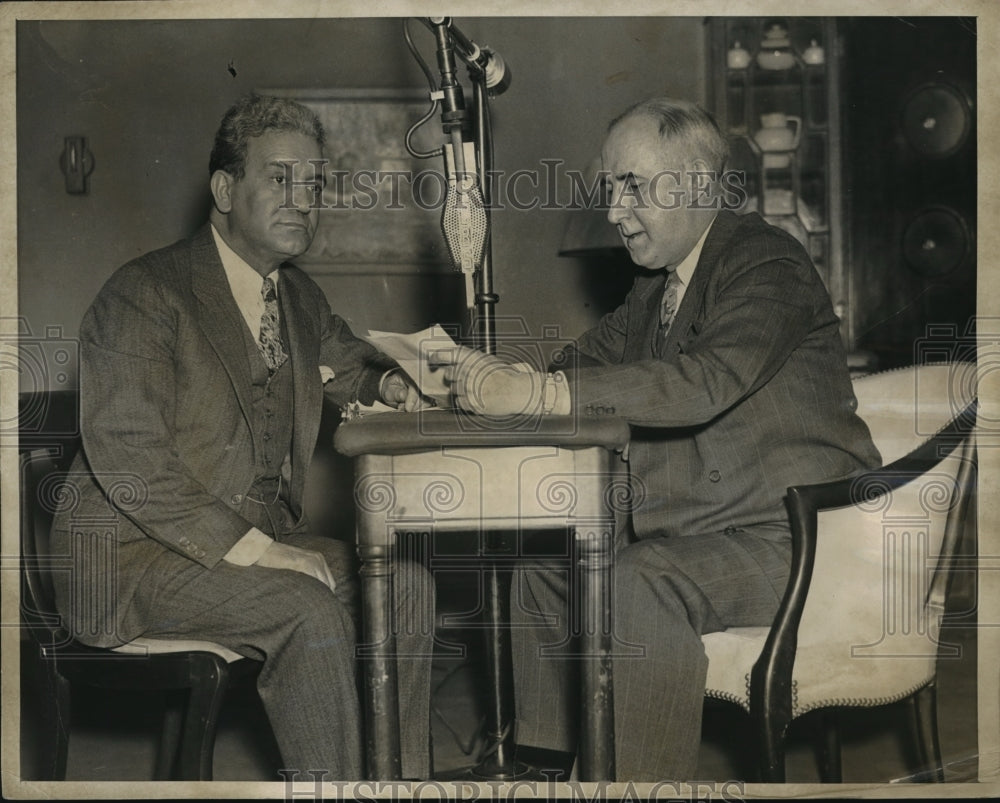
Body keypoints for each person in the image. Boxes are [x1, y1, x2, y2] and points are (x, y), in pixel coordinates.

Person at [432, 96, 882, 780]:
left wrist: (540, 394)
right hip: (712, 535)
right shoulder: (655, 288)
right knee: (541, 573)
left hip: (803, 540)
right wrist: (462, 383)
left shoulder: (767, 262)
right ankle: (545, 771)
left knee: (640, 580)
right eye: (609, 187)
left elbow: (706, 380)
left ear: (699, 185)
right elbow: (574, 369)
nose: (613, 211)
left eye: (632, 186)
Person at [50, 93, 435, 780]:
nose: (302, 199)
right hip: (130, 558)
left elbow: (352, 364)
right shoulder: (142, 294)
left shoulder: (298, 297)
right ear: (225, 189)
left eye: (313, 183)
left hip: (242, 547)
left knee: (404, 587)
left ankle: (394, 784)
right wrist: (263, 554)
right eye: (280, 178)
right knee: (304, 606)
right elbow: (131, 459)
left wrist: (393, 387)